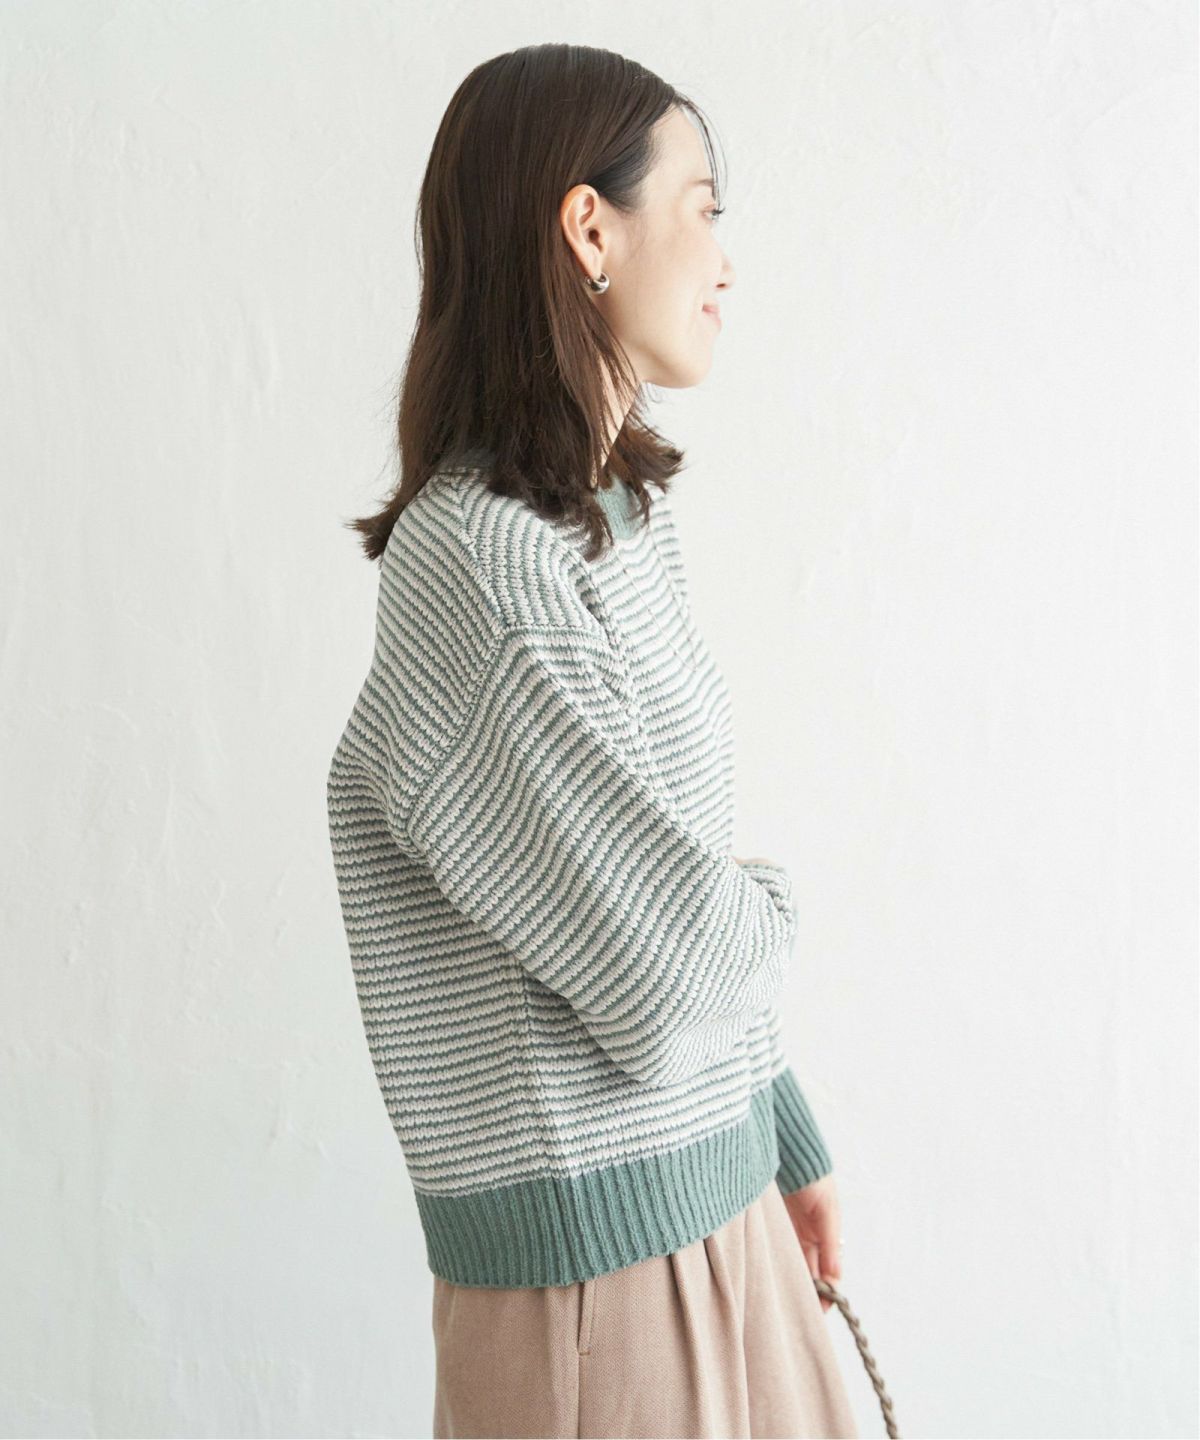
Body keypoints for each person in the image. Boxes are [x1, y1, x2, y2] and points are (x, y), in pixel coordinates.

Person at [326, 42, 858, 1440]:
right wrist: (771, 905)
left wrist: (781, 1126)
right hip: (599, 1282)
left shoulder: (611, 523)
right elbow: (669, 970)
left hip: (718, 1199)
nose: (726, 259)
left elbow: (662, 898)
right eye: (703, 206)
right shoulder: (485, 569)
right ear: (590, 229)